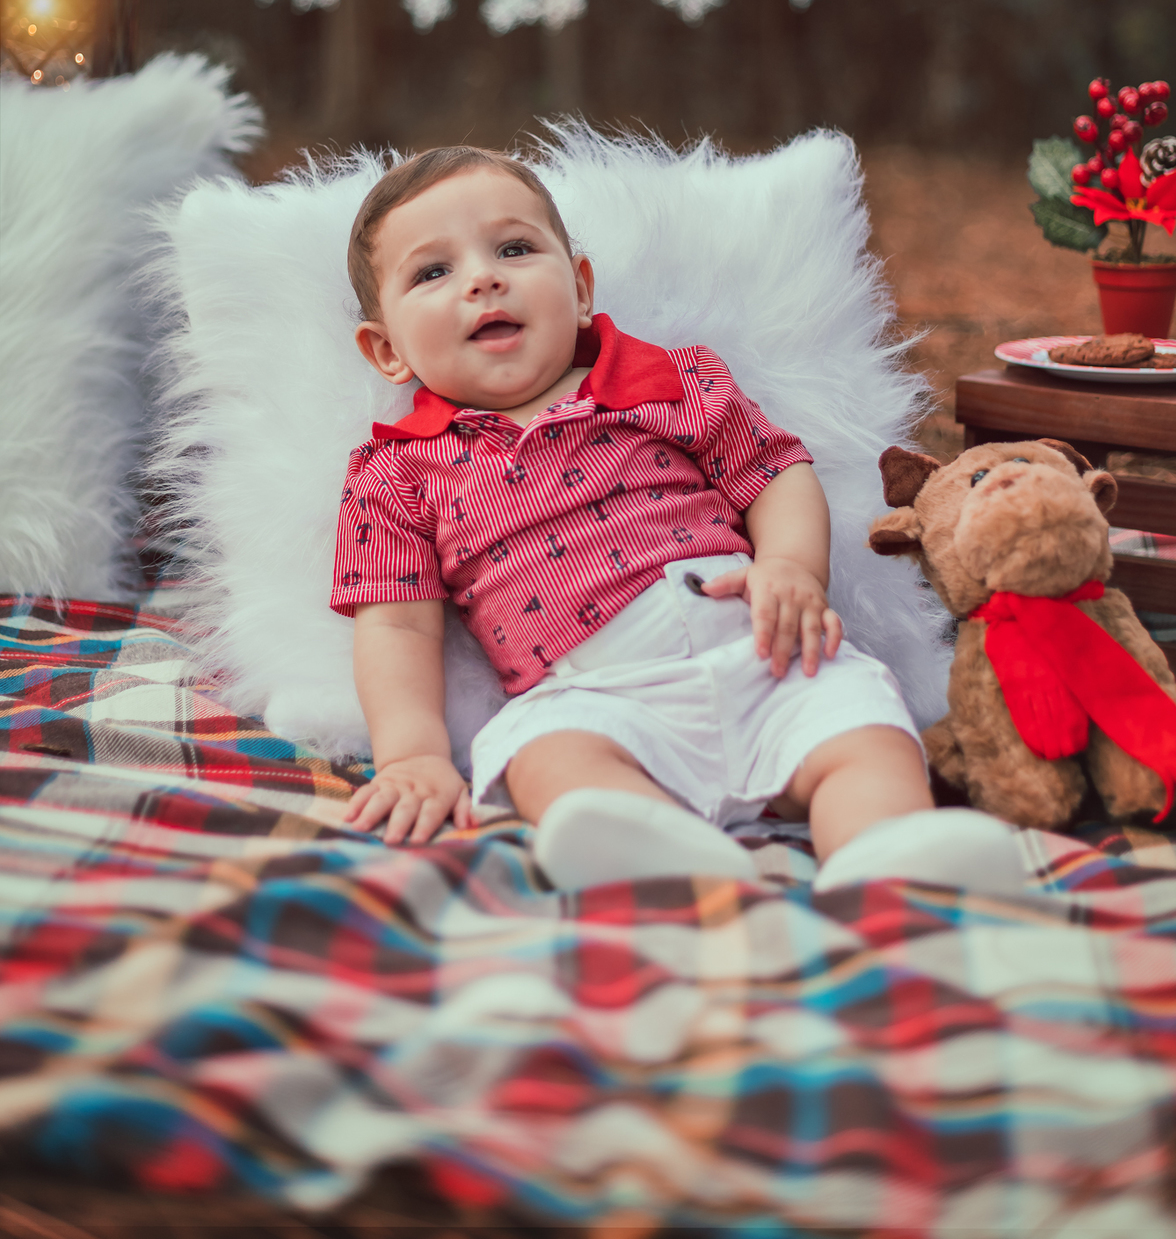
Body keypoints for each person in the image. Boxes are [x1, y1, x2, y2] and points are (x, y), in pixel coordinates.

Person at [331, 146, 1024, 893]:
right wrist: (413, 754)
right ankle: (656, 854)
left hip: (762, 654)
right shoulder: (396, 472)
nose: (483, 277)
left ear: (581, 286)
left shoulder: (665, 380)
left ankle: (884, 852)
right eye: (433, 272)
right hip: (590, 695)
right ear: (386, 350)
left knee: (860, 726)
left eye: (515, 248)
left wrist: (792, 567)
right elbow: (396, 625)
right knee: (547, 759)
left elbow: (775, 469)